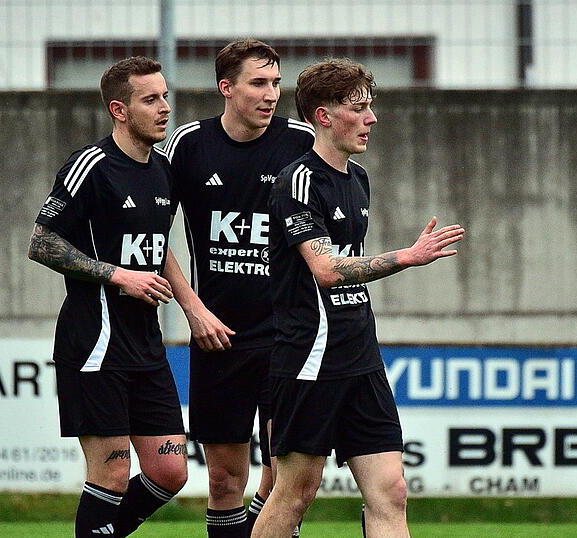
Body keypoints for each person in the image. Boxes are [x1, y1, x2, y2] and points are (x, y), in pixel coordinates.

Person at [252, 59, 465, 538]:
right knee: (294, 494)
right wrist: (406, 258)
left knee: (391, 491)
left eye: (371, 108)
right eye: (360, 108)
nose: (372, 119)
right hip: (311, 357)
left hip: (361, 357)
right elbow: (326, 269)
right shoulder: (298, 181)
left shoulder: (358, 177)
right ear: (324, 116)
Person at [28, 56, 187, 537]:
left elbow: (158, 251)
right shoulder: (90, 166)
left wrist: (193, 307)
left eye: (165, 95)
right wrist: (117, 276)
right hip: (96, 344)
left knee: (170, 472)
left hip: (146, 346)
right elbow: (42, 242)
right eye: (150, 99)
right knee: (112, 473)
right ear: (119, 109)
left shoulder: (163, 170)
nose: (164, 107)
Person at [161, 39, 314, 537]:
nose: (271, 94)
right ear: (226, 88)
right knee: (226, 479)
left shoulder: (302, 142)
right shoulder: (187, 145)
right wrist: (194, 309)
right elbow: (149, 234)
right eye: (258, 83)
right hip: (218, 336)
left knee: (287, 476)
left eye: (275, 83)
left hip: (287, 335)